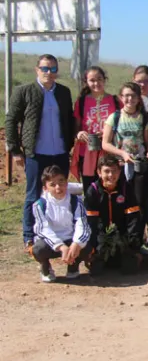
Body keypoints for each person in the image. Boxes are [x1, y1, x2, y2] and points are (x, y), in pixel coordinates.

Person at [6, 54, 75, 251]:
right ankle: (29, 235)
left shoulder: (63, 92)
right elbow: (11, 120)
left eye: (53, 69)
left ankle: (59, 233)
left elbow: (68, 119)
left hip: (60, 152)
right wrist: (15, 150)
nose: (48, 73)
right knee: (34, 194)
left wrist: (71, 142)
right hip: (36, 153)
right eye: (45, 68)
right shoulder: (24, 91)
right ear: (37, 69)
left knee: (60, 193)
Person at [84, 155, 142, 274]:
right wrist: (92, 249)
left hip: (121, 237)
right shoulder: (93, 191)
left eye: (114, 171)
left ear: (119, 172)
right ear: (99, 172)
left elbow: (133, 220)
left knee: (129, 269)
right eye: (107, 171)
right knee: (97, 271)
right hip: (101, 238)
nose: (111, 175)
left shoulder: (126, 189)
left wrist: (134, 248)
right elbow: (91, 223)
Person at [32, 165, 91, 282]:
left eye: (61, 182)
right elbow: (42, 229)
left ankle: (73, 267)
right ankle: (46, 267)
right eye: (52, 185)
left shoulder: (76, 202)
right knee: (38, 249)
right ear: (45, 188)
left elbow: (82, 224)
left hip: (70, 239)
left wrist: (76, 244)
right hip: (50, 244)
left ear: (67, 183)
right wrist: (61, 246)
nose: (58, 187)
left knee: (86, 245)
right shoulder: (40, 205)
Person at [102, 82, 148, 208]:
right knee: (120, 200)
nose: (130, 99)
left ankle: (138, 227)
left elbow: (147, 142)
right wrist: (122, 153)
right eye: (127, 95)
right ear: (121, 97)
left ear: (139, 98)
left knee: (139, 201)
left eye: (134, 96)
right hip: (119, 166)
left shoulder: (143, 118)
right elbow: (105, 144)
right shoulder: (114, 117)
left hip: (139, 166)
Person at [73, 66, 120, 190]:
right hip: (87, 152)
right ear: (86, 82)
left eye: (99, 79)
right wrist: (79, 134)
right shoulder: (81, 102)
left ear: (105, 80)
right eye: (92, 80)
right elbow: (76, 127)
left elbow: (122, 124)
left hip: (109, 152)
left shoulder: (115, 101)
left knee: (110, 187)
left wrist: (108, 133)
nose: (96, 83)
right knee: (90, 190)